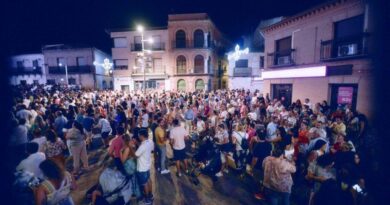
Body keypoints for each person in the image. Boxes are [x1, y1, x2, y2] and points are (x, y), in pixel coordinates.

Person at [135, 129, 154, 205]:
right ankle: (150, 195)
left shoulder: (142, 146)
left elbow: (136, 155)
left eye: (139, 135)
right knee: (148, 180)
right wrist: (137, 143)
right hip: (147, 165)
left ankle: (147, 199)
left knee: (144, 183)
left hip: (142, 168)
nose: (138, 136)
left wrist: (130, 147)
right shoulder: (150, 141)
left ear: (142, 136)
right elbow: (150, 150)